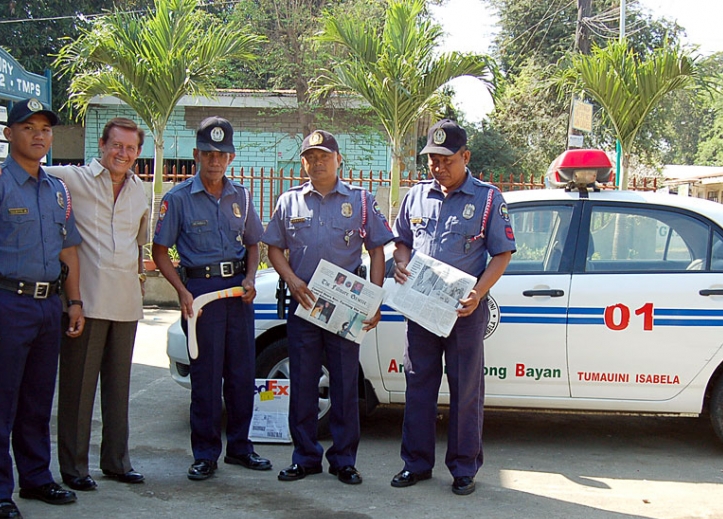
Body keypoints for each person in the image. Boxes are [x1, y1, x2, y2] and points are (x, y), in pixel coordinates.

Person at [0, 117, 152, 492]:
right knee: (76, 390)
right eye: (116, 146)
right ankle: (74, 468)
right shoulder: (70, 179)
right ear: (102, 146)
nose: (123, 154)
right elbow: (26, 164)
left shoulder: (141, 191)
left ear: (139, 153)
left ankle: (117, 461)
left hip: (125, 301)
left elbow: (139, 243)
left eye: (131, 148)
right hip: (84, 301)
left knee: (118, 391)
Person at [0, 98, 85, 519]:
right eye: (28, 127)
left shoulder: (58, 190)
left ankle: (35, 476)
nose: (38, 135)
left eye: (45, 129)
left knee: (36, 400)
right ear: (9, 133)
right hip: (7, 304)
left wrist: (75, 302)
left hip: (49, 305)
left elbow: (69, 247)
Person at [390, 119, 515, 496]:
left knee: (466, 390)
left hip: (464, 311)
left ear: (465, 157)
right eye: (432, 160)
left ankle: (463, 468)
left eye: (446, 160)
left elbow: (502, 253)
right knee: (418, 386)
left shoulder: (489, 198)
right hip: (422, 310)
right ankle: (416, 464)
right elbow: (402, 240)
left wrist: (478, 292)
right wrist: (400, 260)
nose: (438, 167)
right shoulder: (416, 196)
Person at [263, 130, 394, 485]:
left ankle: (343, 460)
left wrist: (374, 297)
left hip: (345, 306)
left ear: (338, 160)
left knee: (344, 384)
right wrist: (291, 280)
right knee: (303, 382)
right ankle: (304, 457)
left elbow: (378, 249)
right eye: (310, 156)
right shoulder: (289, 202)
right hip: (304, 303)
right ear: (302, 162)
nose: (317, 162)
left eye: (324, 156)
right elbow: (273, 248)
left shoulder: (361, 201)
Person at [152, 117, 270, 481]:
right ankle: (205, 453)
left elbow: (254, 243)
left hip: (238, 294)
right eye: (208, 154)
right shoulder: (178, 199)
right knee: (205, 378)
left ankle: (240, 447)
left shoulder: (242, 196)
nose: (215, 161)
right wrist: (182, 291)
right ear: (196, 155)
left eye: (221, 154)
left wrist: (251, 277)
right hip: (201, 296)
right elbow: (159, 252)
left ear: (231, 157)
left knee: (240, 374)